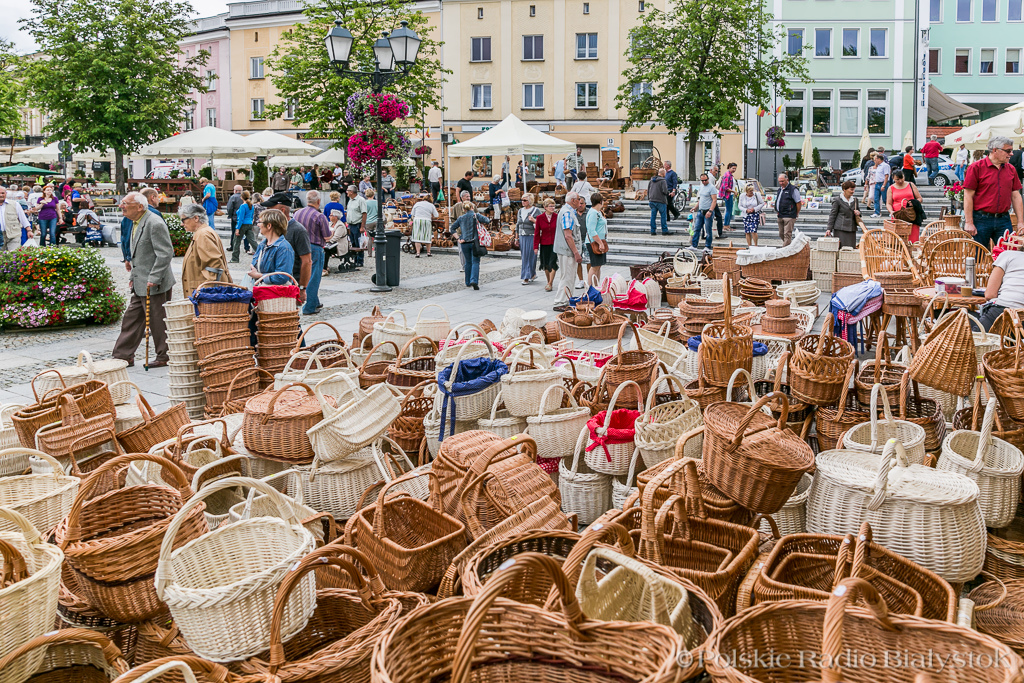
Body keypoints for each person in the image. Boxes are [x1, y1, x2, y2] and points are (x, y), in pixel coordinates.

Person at [112, 192, 174, 367]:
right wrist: (133, 276)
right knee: (132, 318)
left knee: (157, 320)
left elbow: (166, 253)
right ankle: (123, 355)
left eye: (125, 203)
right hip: (141, 281)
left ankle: (164, 356)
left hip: (155, 282)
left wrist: (154, 277)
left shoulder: (154, 222)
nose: (121, 206)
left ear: (140, 206)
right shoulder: (135, 221)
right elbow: (137, 255)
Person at [964, 136, 1024, 249]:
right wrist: (969, 222)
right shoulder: (975, 167)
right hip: (980, 219)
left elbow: (1016, 196)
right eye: (1008, 151)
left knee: (1007, 255)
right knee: (979, 257)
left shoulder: (1011, 169)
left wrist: (1021, 222)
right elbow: (968, 195)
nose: (1011, 154)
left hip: (1004, 219)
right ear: (995, 150)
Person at [259, 193, 311, 309]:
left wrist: (302, 288)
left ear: (282, 211)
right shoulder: (271, 229)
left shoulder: (298, 230)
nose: (267, 212)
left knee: (289, 321)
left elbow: (307, 261)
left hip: (289, 286)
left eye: (270, 209)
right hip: (270, 287)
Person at [179, 202, 231, 296]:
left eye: (183, 220)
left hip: (204, 294)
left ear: (196, 218)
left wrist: (207, 294)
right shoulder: (203, 232)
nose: (182, 224)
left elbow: (214, 266)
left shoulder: (203, 235)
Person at [294, 190, 332, 315]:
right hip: (314, 248)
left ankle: (315, 302)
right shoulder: (319, 216)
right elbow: (327, 236)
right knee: (314, 277)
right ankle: (309, 307)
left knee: (302, 274)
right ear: (319, 201)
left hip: (298, 247)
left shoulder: (297, 213)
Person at [982, 238, 1024, 330]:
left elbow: (990, 295)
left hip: (1002, 312)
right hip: (1018, 318)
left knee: (973, 340)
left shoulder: (1008, 255)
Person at [552, 192, 585, 311]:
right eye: (578, 199)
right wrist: (576, 252)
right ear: (573, 201)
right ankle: (560, 302)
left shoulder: (567, 211)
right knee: (567, 276)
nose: (580, 201)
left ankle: (566, 300)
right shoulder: (567, 213)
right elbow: (568, 236)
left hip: (566, 250)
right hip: (567, 251)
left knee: (568, 276)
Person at [249, 209, 296, 284]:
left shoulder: (284, 248)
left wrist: (259, 276)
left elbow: (282, 277)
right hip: (262, 291)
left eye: (260, 222)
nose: (258, 224)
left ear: (269, 226)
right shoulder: (262, 244)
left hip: (277, 293)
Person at [886, 170, 925, 242]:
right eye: (897, 179)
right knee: (899, 239)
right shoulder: (891, 188)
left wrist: (914, 203)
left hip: (911, 215)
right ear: (893, 178)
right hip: (898, 215)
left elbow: (919, 198)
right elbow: (888, 203)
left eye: (902, 178)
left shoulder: (911, 185)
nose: (900, 181)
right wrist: (891, 211)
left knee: (913, 237)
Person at [454, 201, 482, 290]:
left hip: (464, 242)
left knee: (468, 262)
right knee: (475, 261)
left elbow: (452, 228)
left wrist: (458, 238)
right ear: (472, 208)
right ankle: (474, 280)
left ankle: (467, 282)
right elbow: (487, 220)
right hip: (475, 242)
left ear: (463, 209)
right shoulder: (476, 216)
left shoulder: (461, 218)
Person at [827, 180, 862, 249]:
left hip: (852, 229)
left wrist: (858, 213)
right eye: (851, 189)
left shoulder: (855, 200)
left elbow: (859, 214)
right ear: (844, 190)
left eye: (853, 189)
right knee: (840, 248)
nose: (853, 191)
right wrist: (829, 229)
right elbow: (832, 215)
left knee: (851, 249)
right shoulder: (837, 200)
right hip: (840, 229)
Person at [517, 193, 541, 284]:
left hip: (531, 235)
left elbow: (541, 223)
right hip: (522, 235)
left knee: (531, 256)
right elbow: (517, 225)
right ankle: (531, 274)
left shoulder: (536, 210)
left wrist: (534, 220)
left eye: (525, 200)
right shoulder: (520, 211)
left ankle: (526, 276)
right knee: (524, 256)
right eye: (522, 200)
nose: (522, 202)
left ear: (530, 201)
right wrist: (516, 237)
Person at [535, 198, 558, 292]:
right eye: (550, 206)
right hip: (544, 243)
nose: (552, 208)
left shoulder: (557, 216)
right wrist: (535, 247)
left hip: (555, 243)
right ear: (545, 207)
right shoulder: (540, 218)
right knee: (545, 264)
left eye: (553, 206)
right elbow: (537, 233)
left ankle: (550, 283)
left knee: (552, 263)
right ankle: (549, 281)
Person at [691, 173, 718, 252]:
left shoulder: (712, 188)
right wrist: (695, 207)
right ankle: (694, 245)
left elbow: (714, 200)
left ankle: (707, 246)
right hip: (701, 210)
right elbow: (701, 199)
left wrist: (710, 210)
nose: (704, 182)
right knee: (697, 228)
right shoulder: (701, 187)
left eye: (705, 180)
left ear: (708, 179)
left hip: (708, 210)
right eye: (702, 180)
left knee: (708, 230)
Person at [585, 192, 608, 284]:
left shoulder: (598, 212)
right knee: (594, 266)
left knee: (598, 265)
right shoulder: (593, 213)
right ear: (600, 202)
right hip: (595, 242)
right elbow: (591, 230)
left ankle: (596, 285)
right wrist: (600, 243)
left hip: (600, 240)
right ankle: (591, 287)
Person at [774, 173, 801, 247]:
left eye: (782, 181)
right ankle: (790, 246)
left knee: (787, 234)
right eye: (779, 181)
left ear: (787, 180)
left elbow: (798, 202)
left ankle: (785, 250)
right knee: (781, 233)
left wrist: (796, 213)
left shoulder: (793, 189)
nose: (781, 183)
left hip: (789, 215)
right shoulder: (780, 190)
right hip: (780, 214)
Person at [0, 186, 30, 251]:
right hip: (0, 236)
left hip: (14, 234)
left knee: (14, 255)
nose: (1, 195)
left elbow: (23, 218)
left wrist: (29, 230)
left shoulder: (15, 204)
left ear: (6, 193)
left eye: (3, 193)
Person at [231, 190, 257, 263]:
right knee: (252, 241)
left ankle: (235, 258)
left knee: (236, 241)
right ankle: (261, 254)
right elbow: (252, 216)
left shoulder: (243, 206)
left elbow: (241, 218)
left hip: (243, 224)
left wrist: (237, 229)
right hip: (249, 224)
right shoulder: (251, 206)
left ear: (242, 197)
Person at [345, 185, 367, 267]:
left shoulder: (361, 200)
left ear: (351, 192)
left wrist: (362, 226)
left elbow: (364, 213)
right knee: (353, 243)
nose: (346, 192)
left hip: (357, 224)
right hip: (351, 224)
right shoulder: (350, 200)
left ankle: (360, 261)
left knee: (359, 244)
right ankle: (355, 260)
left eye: (347, 190)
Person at [648, 168, 670, 236]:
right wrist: (668, 193)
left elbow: (648, 190)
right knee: (663, 216)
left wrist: (649, 198)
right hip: (661, 200)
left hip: (652, 200)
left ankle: (653, 231)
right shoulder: (663, 181)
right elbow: (665, 191)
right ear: (663, 174)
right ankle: (664, 230)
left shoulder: (651, 180)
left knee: (653, 216)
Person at [718, 162, 737, 231]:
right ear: (729, 167)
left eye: (735, 168)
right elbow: (725, 187)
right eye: (733, 168)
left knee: (730, 210)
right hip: (727, 195)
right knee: (728, 210)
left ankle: (728, 225)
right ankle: (726, 225)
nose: (734, 170)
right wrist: (734, 191)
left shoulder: (730, 175)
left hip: (730, 195)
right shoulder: (727, 175)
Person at [225, 184, 244, 253]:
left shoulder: (233, 197)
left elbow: (229, 207)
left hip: (235, 217)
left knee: (234, 232)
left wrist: (230, 215)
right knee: (246, 233)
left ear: (235, 191)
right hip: (244, 218)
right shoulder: (245, 197)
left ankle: (233, 246)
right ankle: (247, 247)